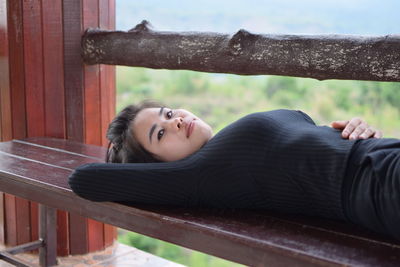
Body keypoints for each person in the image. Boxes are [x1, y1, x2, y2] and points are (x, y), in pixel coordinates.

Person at [69, 100, 399, 241]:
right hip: (379, 186)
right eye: (160, 133)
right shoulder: (200, 175)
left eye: (168, 113)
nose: (176, 121)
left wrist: (354, 128)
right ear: (157, 170)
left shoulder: (221, 155)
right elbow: (84, 180)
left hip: (381, 158)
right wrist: (119, 154)